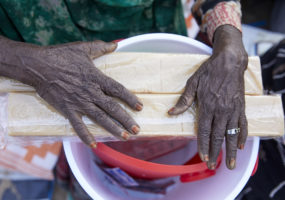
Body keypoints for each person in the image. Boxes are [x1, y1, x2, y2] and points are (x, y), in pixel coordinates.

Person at [0, 0, 247, 170]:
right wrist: (31, 64)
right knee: (77, 139)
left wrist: (229, 40)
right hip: (31, 63)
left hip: (154, 43)